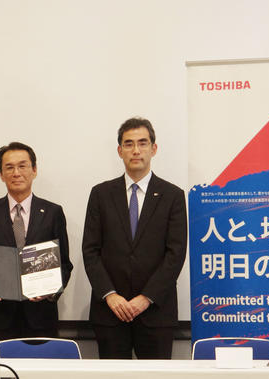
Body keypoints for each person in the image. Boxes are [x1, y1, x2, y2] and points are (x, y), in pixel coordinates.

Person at [81, 117, 187, 359]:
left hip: (155, 313)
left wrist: (145, 298)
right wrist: (111, 295)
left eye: (142, 143)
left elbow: (175, 254)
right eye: (128, 144)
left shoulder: (172, 195)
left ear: (154, 148)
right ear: (120, 151)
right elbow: (90, 251)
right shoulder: (100, 194)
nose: (136, 150)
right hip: (110, 312)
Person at [0, 142, 73, 346]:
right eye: (9, 167)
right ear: (1, 174)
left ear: (34, 170)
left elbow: (65, 265)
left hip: (41, 319)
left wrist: (51, 291)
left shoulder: (53, 213)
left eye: (22, 166)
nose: (16, 173)